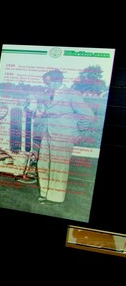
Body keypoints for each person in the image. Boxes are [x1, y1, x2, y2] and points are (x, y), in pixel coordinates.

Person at [34, 69, 95, 205]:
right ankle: (45, 193)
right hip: (48, 133)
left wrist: (76, 131)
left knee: (59, 166)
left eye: (48, 83)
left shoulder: (72, 94)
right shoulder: (48, 93)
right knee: (43, 163)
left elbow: (88, 116)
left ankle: (55, 198)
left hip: (64, 135)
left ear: (57, 81)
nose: (46, 85)